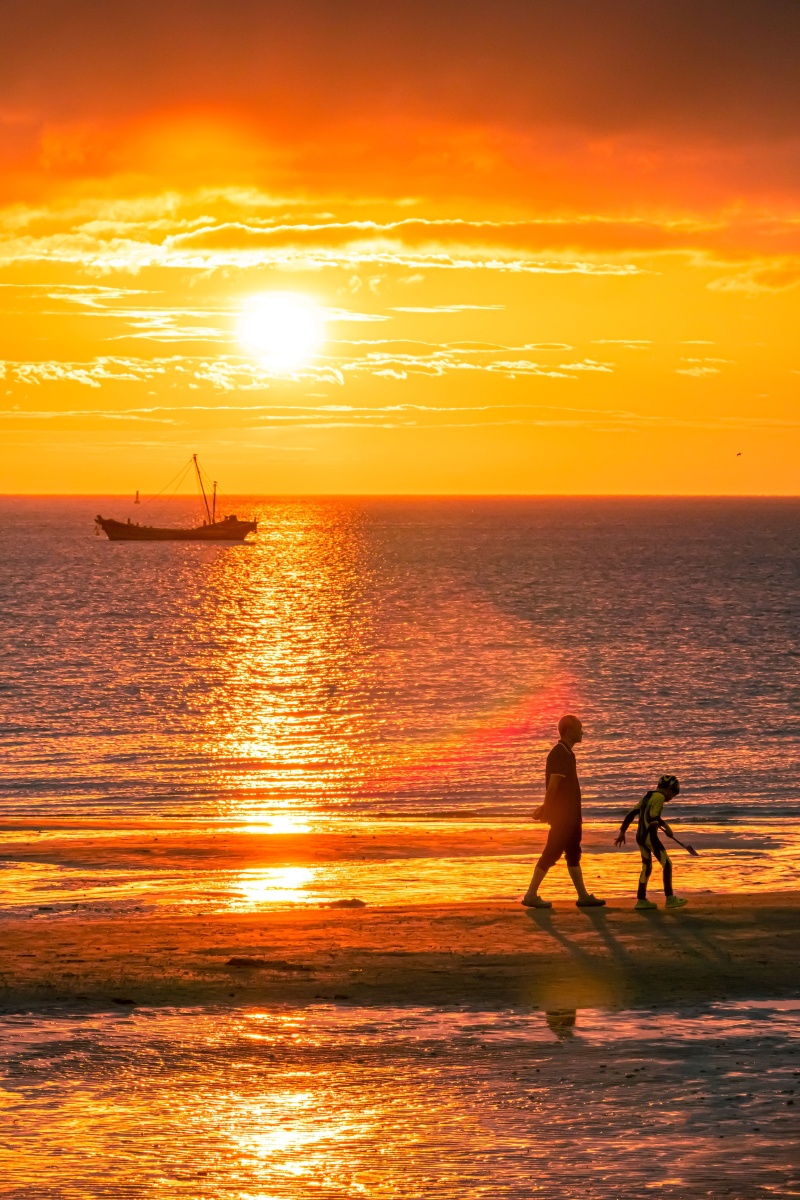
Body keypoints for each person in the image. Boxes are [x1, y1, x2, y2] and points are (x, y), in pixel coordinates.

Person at [521, 714, 606, 909]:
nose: (582, 731)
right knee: (552, 853)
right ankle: (530, 894)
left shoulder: (568, 753)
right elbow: (553, 786)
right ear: (569, 731)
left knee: (574, 853)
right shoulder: (559, 753)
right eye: (579, 728)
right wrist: (546, 809)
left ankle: (583, 896)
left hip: (572, 816)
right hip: (564, 816)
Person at [615, 775, 688, 909]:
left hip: (640, 836)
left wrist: (622, 832)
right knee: (667, 864)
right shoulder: (659, 797)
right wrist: (667, 828)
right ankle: (670, 898)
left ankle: (641, 900)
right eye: (673, 794)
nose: (671, 798)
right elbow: (653, 816)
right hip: (649, 836)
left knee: (646, 867)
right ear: (669, 789)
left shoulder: (647, 797)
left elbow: (631, 814)